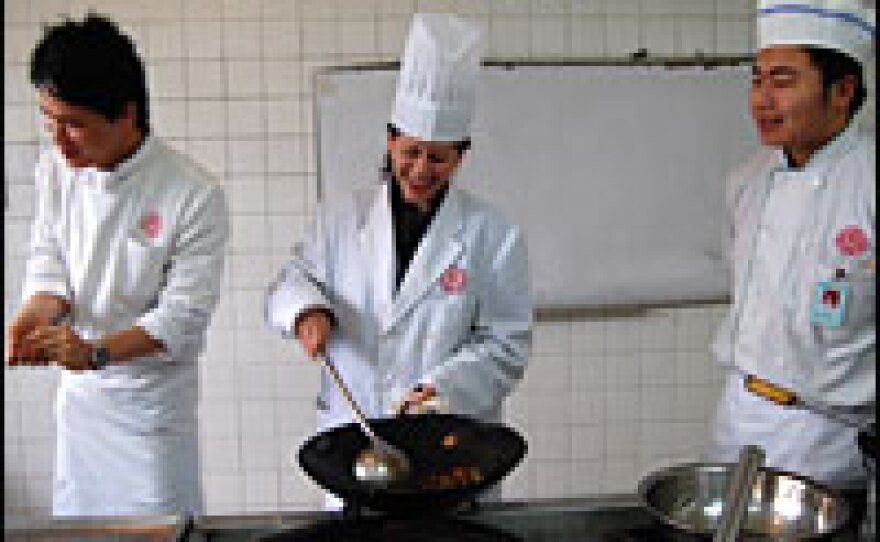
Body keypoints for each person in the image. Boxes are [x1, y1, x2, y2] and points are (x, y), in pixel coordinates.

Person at [265, 11, 531, 468]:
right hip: (355, 436)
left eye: (438, 158)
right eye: (410, 153)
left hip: (450, 435)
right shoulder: (341, 217)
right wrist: (306, 310)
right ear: (390, 142)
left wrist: (445, 388)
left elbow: (505, 345)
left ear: (461, 156)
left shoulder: (494, 234)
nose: (421, 170)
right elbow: (290, 281)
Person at [5, 14, 229, 516]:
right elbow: (51, 264)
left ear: (126, 114)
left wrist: (95, 353)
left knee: (158, 526)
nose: (59, 142)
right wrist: (32, 317)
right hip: (82, 413)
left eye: (74, 124)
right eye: (50, 121)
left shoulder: (192, 194)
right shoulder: (56, 171)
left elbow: (181, 319)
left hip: (149, 415)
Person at [708, 0, 875, 496]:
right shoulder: (745, 183)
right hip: (737, 419)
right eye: (757, 80)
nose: (762, 100)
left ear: (842, 90)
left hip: (830, 437)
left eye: (783, 82)